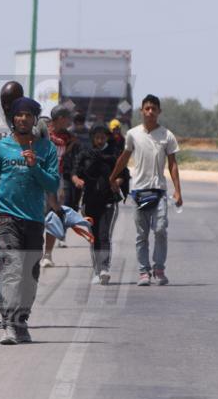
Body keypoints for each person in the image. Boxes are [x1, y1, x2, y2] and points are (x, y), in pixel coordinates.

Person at [0, 97, 60, 345]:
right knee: (13, 268)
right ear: (12, 118)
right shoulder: (0, 148)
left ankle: (21, 320)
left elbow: (53, 184)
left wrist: (35, 166)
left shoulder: (47, 149)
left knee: (30, 273)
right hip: (7, 217)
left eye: (28, 115)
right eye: (18, 114)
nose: (23, 119)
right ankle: (9, 324)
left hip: (34, 218)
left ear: (35, 119)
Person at [109, 94, 182, 286]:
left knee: (160, 230)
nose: (150, 112)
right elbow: (124, 158)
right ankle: (144, 271)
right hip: (139, 192)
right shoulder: (133, 134)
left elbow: (173, 164)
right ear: (142, 111)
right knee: (141, 235)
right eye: (147, 108)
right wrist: (112, 177)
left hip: (159, 191)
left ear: (159, 112)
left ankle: (159, 269)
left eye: (154, 109)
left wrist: (178, 191)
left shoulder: (167, 135)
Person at [72, 124, 127, 285]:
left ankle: (104, 269)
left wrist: (117, 182)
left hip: (108, 200)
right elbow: (74, 172)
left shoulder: (114, 153)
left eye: (103, 136)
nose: (100, 140)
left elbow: (124, 174)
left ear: (107, 137)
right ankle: (96, 271)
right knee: (93, 237)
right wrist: (77, 180)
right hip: (89, 202)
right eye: (97, 137)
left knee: (104, 235)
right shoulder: (85, 153)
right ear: (93, 138)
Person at [40, 105, 76, 268]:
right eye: (68, 118)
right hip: (40, 177)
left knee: (54, 215)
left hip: (57, 178)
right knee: (38, 216)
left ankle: (48, 254)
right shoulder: (43, 131)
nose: (70, 121)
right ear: (61, 118)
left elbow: (67, 150)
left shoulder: (67, 136)